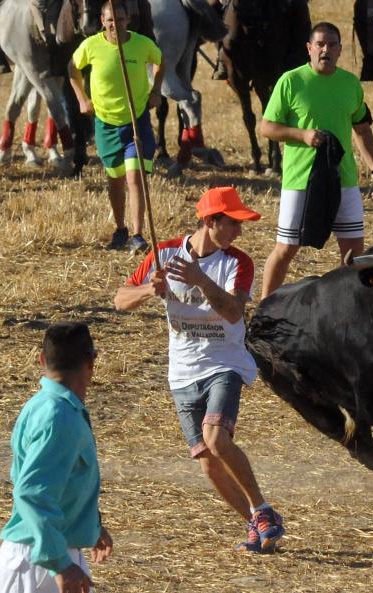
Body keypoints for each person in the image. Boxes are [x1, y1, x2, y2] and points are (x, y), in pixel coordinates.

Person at [114, 186, 286, 553]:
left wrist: (201, 280)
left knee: (217, 438)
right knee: (208, 463)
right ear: (210, 221)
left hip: (224, 363)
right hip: (182, 372)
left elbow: (234, 313)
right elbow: (120, 300)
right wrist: (148, 291)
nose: (239, 232)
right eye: (233, 223)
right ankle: (255, 524)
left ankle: (262, 508)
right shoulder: (164, 253)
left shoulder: (239, 263)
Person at [259, 21, 373, 299]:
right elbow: (266, 127)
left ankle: (346, 307)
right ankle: (264, 309)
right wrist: (302, 134)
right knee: (286, 248)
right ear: (309, 48)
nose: (325, 50)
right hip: (300, 179)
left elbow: (362, 129)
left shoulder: (351, 84)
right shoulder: (291, 81)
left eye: (331, 45)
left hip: (344, 179)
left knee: (353, 252)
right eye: (319, 44)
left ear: (340, 50)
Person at [0, 322, 113, 593]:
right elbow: (32, 493)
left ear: (41, 360)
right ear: (91, 362)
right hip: (40, 561)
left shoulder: (47, 406)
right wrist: (60, 564)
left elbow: (62, 482)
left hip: (48, 551)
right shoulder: (58, 417)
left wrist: (90, 525)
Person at [69, 0, 164, 254]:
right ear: (102, 21)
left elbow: (160, 61)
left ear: (128, 20)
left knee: (135, 177)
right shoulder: (91, 45)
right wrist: (82, 99)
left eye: (120, 20)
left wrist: (156, 90)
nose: (115, 25)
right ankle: (121, 229)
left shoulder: (142, 44)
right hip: (106, 123)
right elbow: (72, 68)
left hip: (136, 121)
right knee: (115, 179)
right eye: (110, 20)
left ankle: (138, 235)